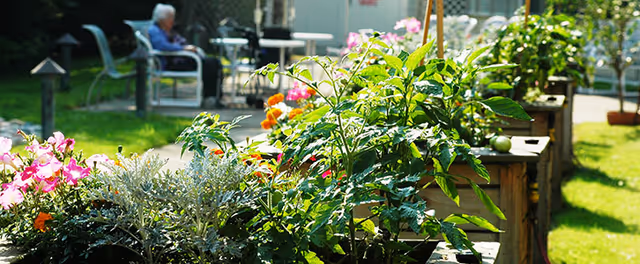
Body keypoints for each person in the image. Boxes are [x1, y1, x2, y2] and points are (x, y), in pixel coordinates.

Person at [148, 3, 224, 108]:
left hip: (180, 59)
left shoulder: (167, 31)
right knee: (209, 64)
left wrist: (187, 47)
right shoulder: (154, 31)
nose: (172, 21)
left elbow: (180, 41)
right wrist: (183, 48)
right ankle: (210, 98)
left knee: (215, 62)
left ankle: (214, 97)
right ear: (162, 19)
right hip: (169, 63)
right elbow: (162, 46)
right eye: (170, 18)